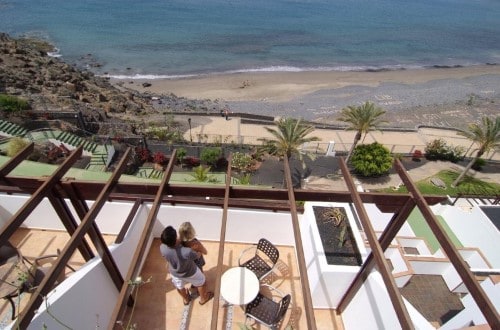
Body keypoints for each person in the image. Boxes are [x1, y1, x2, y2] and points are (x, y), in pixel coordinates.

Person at [160, 226, 213, 306]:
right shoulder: (186, 251)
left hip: (175, 274)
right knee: (202, 282)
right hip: (190, 272)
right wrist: (198, 250)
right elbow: (197, 256)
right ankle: (203, 299)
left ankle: (186, 299)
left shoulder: (162, 248)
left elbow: (167, 256)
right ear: (175, 238)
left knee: (180, 287)